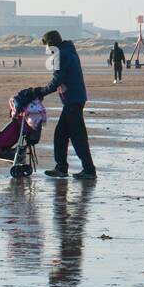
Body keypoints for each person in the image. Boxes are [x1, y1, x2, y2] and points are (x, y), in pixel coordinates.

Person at [33, 30, 96, 180]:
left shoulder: (62, 55)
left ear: (51, 43)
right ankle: (61, 167)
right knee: (61, 135)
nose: (47, 50)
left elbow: (57, 80)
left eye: (47, 46)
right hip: (74, 99)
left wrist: (40, 91)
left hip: (73, 100)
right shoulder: (67, 51)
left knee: (78, 137)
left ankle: (88, 170)